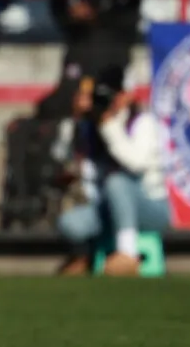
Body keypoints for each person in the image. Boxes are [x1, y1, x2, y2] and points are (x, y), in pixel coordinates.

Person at [58, 68, 169, 276]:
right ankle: (85, 258)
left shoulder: (142, 122)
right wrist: (80, 119)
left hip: (149, 207)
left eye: (115, 94)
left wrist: (109, 126)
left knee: (116, 181)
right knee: (70, 223)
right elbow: (70, 162)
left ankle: (127, 254)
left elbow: (136, 163)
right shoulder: (89, 126)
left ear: (128, 95)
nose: (112, 100)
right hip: (108, 208)